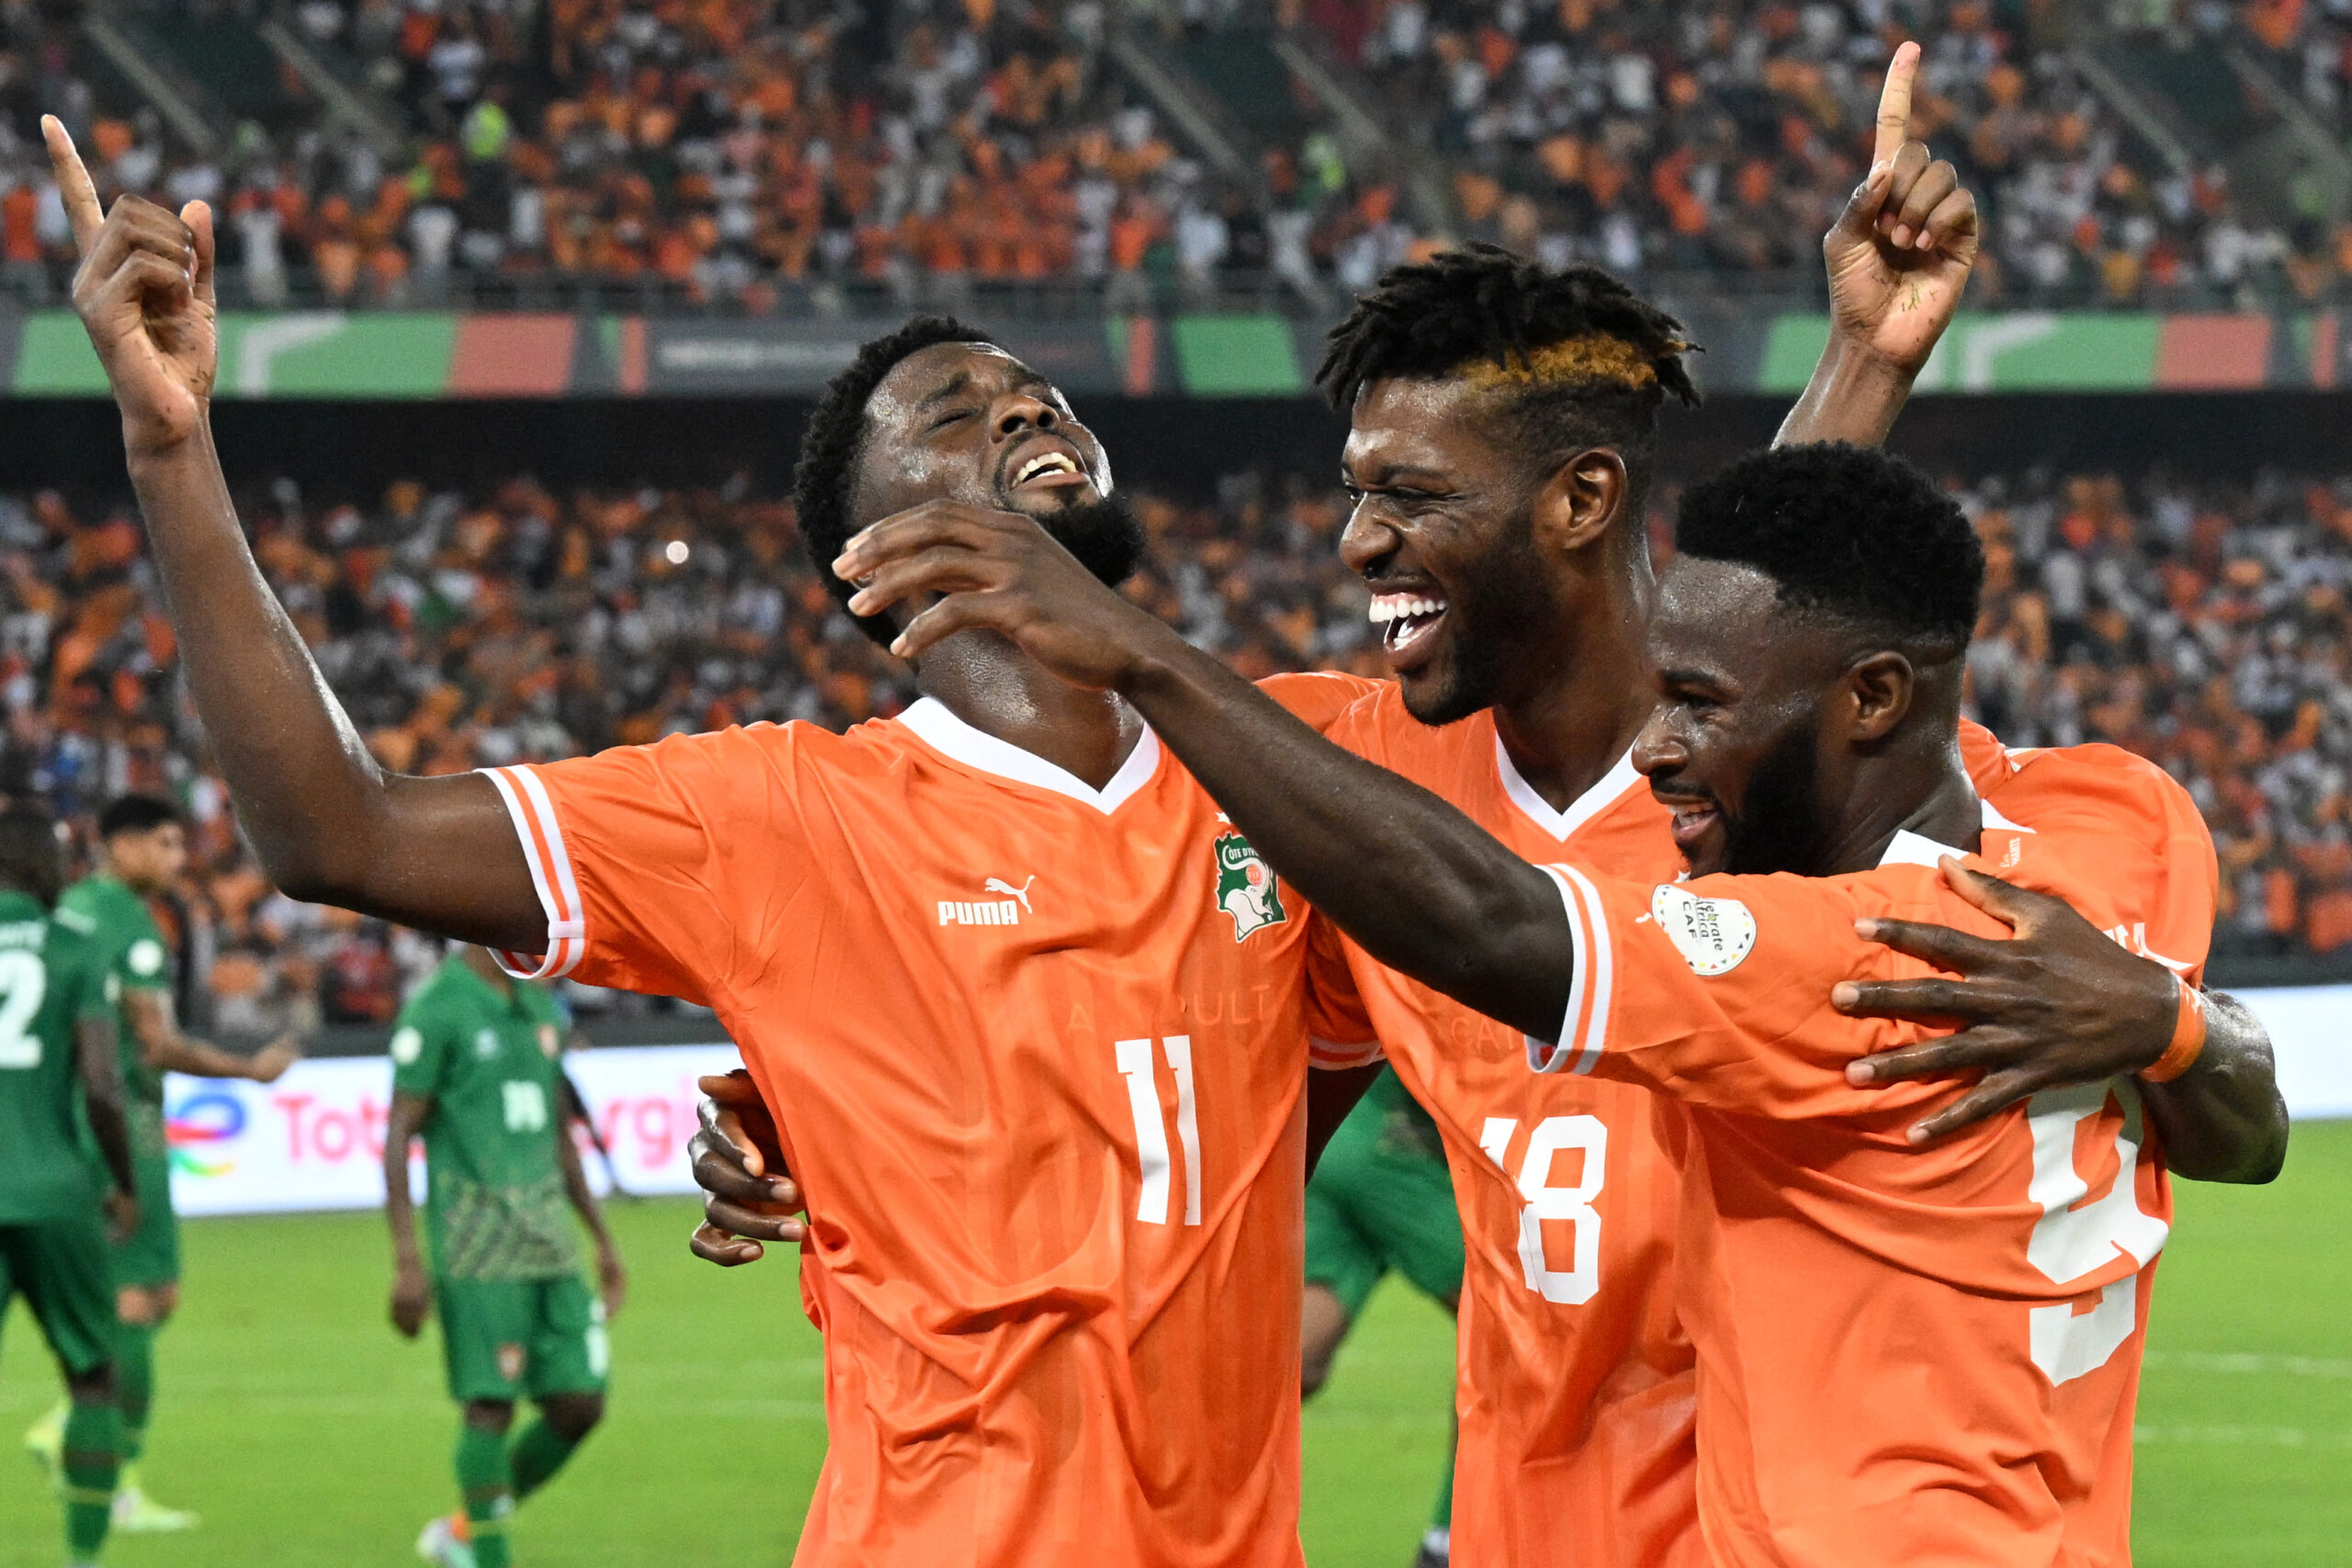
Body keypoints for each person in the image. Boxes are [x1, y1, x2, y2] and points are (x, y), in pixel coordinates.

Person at [702, 42, 2286, 1567]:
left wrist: (2188, 1027)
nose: (1358, 549)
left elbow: (1740, 658)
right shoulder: (1349, 778)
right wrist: (835, 1086)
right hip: (1529, 1511)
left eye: (1410, 497)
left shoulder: (1822, 837)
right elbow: (1108, 914)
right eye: (1354, 496)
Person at [40, 110, 1395, 1566]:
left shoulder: (1303, 758)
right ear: (869, 562)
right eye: (957, 412)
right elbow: (339, 830)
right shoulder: (777, 815)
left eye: (1046, 395)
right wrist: (174, 451)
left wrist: (894, 1108)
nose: (1029, 411)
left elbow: (1277, 1108)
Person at [831, 438, 2290, 1565]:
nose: (1656, 748)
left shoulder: (1827, 961)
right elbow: (2248, 1128)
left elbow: (1499, 914)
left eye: (1700, 703)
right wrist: (2182, 1022)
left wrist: (1143, 654)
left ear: (1870, 701)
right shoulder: (2123, 823)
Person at [24, 793, 300, 1532]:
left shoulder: (64, 907)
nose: (179, 860)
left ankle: (76, 1435)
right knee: (137, 1299)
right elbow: (156, 1043)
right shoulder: (129, 923)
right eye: (167, 844)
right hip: (122, 1121)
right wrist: (249, 1069)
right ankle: (105, 1470)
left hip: (52, 1116)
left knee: (154, 1294)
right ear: (123, 845)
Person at [385, 946, 626, 1568]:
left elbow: (557, 1133)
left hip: (550, 1238)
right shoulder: (438, 1008)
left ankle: (464, 1531)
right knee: (490, 1404)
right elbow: (397, 1134)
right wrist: (408, 1260)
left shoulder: (537, 1002)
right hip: (476, 1243)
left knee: (581, 1402)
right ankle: (488, 1555)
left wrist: (601, 1236)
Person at [0, 799, 138, 1568]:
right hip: (56, 1188)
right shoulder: (75, 946)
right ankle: (84, 1560)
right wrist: (124, 1183)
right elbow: (102, 1083)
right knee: (91, 1374)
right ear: (32, 863)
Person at [1300, 1067, 1463, 1568]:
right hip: (1392, 1148)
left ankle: (1170, 1526)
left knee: (1284, 1368)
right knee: (1516, 1333)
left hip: (1331, 1129)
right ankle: (1451, 1542)